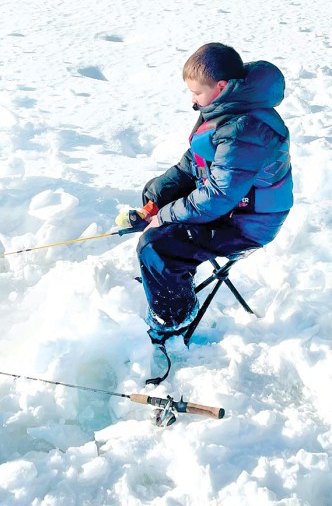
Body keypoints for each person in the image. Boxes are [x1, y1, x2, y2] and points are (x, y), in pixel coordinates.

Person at [116, 43, 293, 350]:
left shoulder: (245, 129)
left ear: (220, 86)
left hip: (248, 222)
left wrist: (164, 216)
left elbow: (218, 196)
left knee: (157, 245)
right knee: (157, 196)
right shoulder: (224, 108)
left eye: (196, 93)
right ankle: (167, 280)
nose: (193, 100)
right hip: (230, 205)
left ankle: (173, 318)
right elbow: (192, 164)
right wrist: (154, 202)